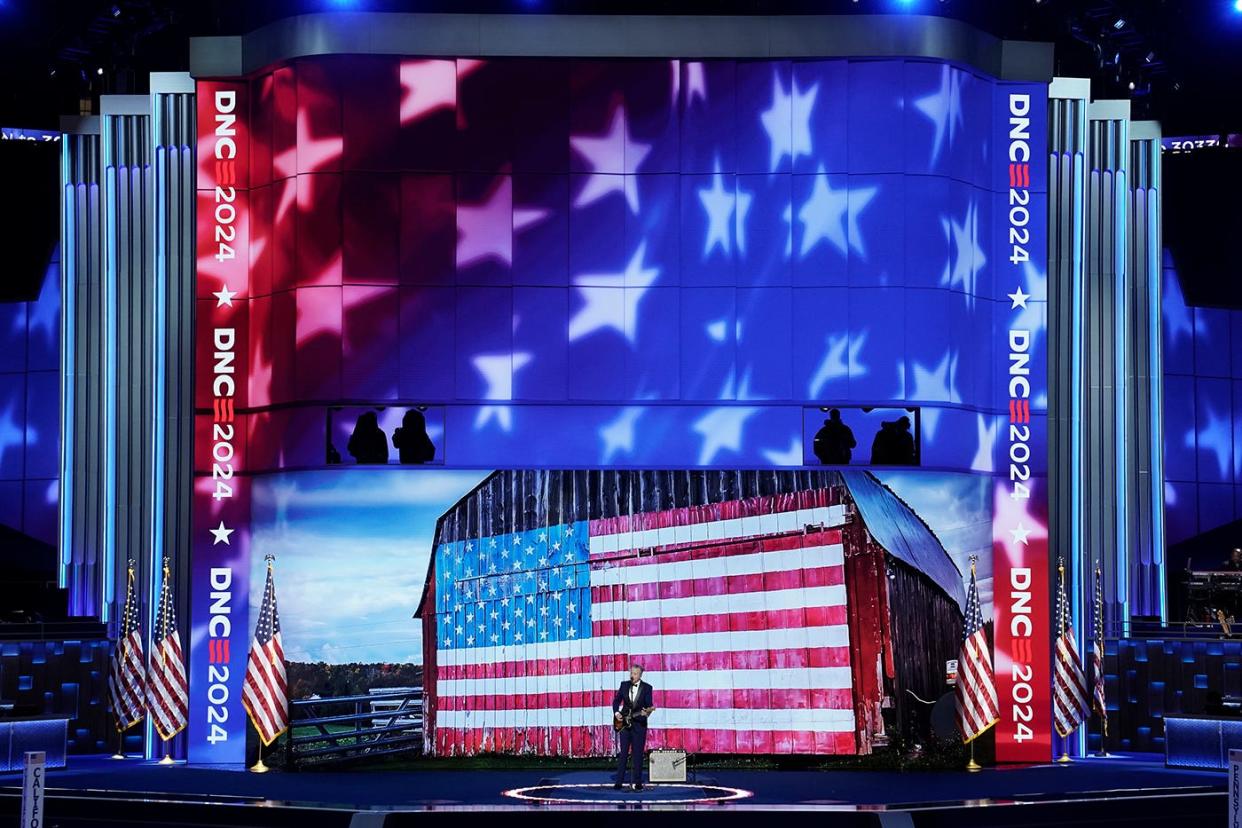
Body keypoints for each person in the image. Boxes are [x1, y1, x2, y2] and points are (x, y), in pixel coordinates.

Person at [612, 664, 655, 791]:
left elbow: (649, 706)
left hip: (639, 725)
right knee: (623, 753)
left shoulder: (647, 688)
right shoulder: (624, 685)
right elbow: (616, 701)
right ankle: (619, 782)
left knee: (638, 754)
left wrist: (647, 712)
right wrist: (616, 712)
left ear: (640, 675)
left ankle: (637, 782)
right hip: (624, 724)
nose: (632, 675)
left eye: (635, 673)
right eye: (631, 673)